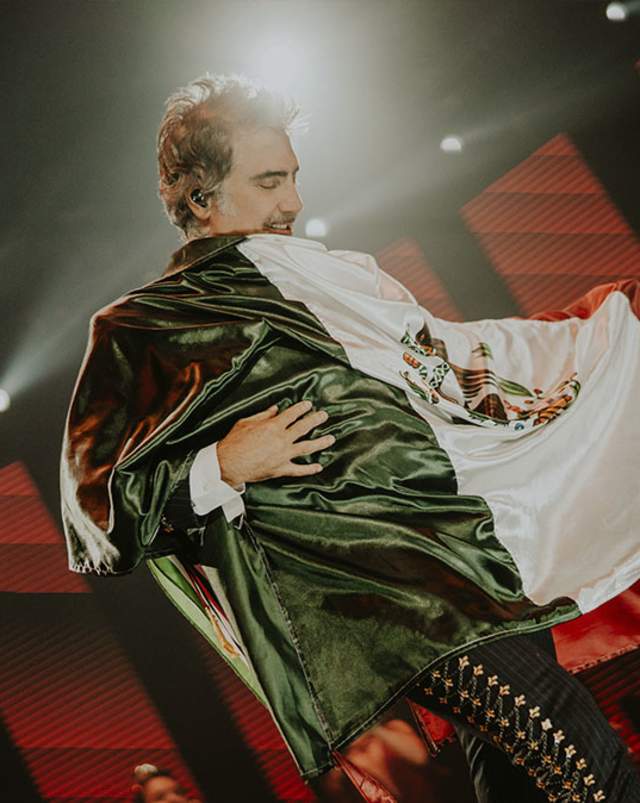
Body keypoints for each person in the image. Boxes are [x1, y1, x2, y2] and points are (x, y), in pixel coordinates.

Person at [60, 74, 640, 802]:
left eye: (294, 178)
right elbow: (93, 512)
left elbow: (453, 361)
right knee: (579, 749)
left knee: (520, 782)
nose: (294, 202)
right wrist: (221, 464)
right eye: (270, 181)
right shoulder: (143, 326)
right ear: (201, 197)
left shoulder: (340, 276)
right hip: (380, 589)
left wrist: (602, 328)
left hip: (471, 553)